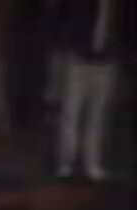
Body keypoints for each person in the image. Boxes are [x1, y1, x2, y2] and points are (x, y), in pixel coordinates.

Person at [55, 0, 129, 181]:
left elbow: (124, 28)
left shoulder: (120, 5)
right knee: (71, 111)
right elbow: (65, 17)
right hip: (79, 58)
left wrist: (119, 53)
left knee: (97, 115)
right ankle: (66, 161)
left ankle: (92, 162)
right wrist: (69, 45)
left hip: (106, 61)